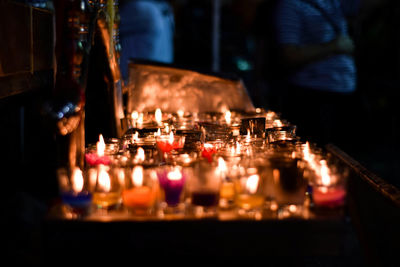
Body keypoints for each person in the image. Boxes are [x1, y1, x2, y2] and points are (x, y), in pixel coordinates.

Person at [272, 0, 360, 147]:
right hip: (312, 97)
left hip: (345, 92)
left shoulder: (333, 3)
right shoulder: (291, 5)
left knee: (347, 155)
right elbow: (289, 55)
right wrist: (334, 46)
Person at [118, 0, 175, 82]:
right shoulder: (164, 7)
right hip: (159, 82)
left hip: (135, 83)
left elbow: (104, 25)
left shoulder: (140, 8)